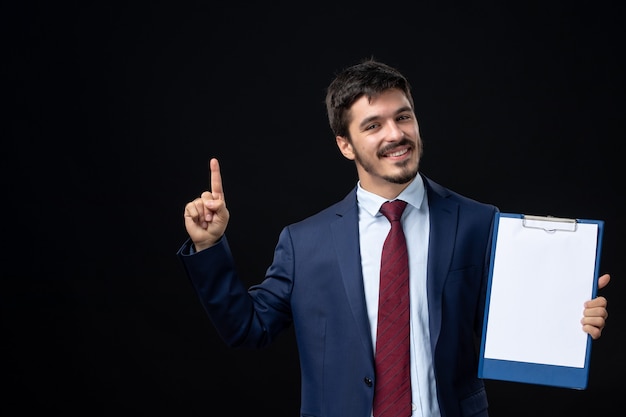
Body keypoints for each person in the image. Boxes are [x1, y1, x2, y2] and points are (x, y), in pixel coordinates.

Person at [177, 59, 610, 417]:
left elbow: (511, 324)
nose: (396, 134)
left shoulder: (480, 222)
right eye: (373, 125)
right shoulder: (303, 243)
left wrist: (568, 318)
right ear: (345, 145)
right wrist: (208, 246)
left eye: (403, 116)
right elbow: (248, 328)